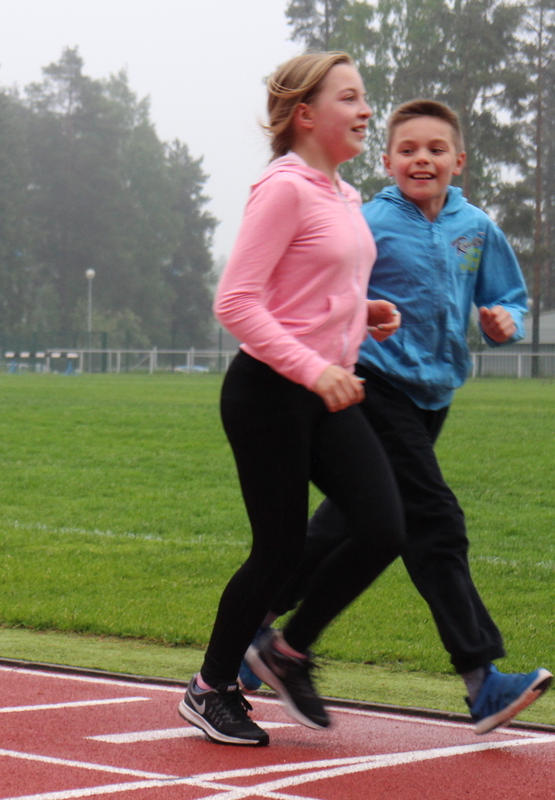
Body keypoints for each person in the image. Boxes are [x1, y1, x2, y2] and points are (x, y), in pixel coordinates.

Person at [247, 99, 550, 735]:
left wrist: (505, 322)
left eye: (436, 150)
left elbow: (508, 297)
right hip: (375, 386)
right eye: (408, 150)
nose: (422, 159)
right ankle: (482, 680)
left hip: (434, 396)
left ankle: (252, 638)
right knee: (433, 519)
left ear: (459, 161)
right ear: (386, 161)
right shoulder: (370, 222)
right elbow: (326, 284)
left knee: (343, 525)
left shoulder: (476, 227)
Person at [177, 52, 405, 747]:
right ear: (305, 114)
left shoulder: (343, 194)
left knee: (383, 526)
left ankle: (286, 651)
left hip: (324, 390)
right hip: (270, 393)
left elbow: (306, 288)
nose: (367, 110)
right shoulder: (284, 189)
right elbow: (235, 302)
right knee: (277, 549)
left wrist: (362, 312)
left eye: (365, 97)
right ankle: (211, 688)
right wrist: (314, 367)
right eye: (350, 98)